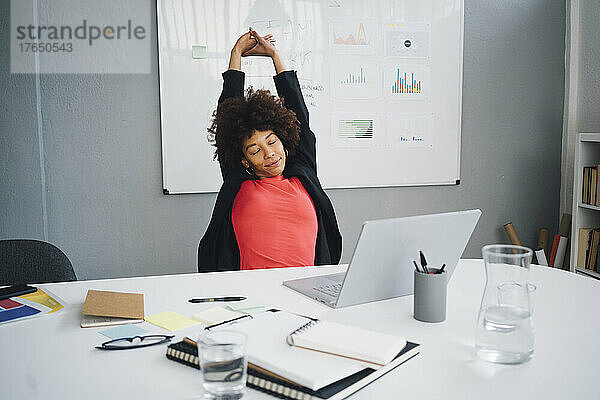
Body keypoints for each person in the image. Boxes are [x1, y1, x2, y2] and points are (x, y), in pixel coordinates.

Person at [198, 29, 341, 272]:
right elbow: (226, 118)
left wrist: (275, 55)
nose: (269, 154)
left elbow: (299, 115)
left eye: (272, 142)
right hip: (252, 296)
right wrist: (236, 55)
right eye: (255, 150)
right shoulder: (239, 182)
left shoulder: (302, 174)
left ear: (284, 140)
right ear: (244, 160)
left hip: (306, 291)